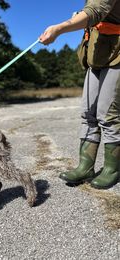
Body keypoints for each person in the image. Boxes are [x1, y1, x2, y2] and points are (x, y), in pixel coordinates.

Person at [39, 0, 120, 189]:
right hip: (97, 55)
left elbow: (95, 10)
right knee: (87, 113)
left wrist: (59, 28)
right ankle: (85, 166)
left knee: (107, 115)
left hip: (117, 54)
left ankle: (112, 169)